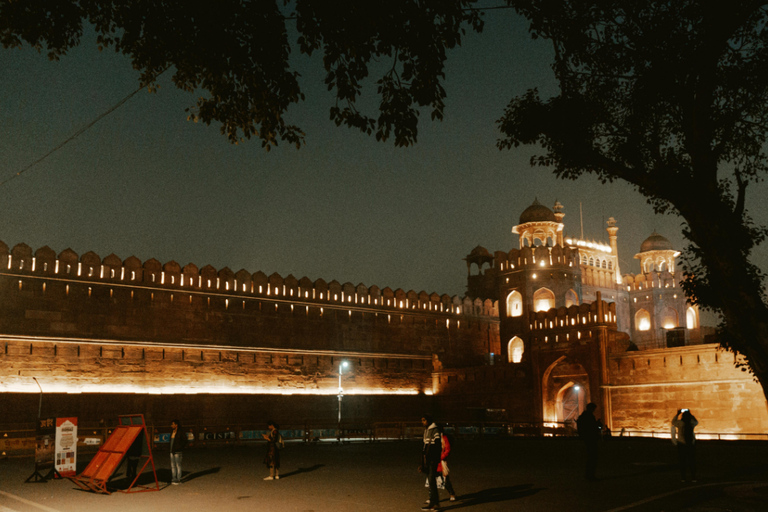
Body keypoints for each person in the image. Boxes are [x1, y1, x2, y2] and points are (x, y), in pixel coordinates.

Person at [420, 414, 442, 511]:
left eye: (424, 420)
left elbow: (437, 446)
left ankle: (435, 504)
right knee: (431, 481)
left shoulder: (435, 430)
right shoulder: (427, 430)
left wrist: (434, 460)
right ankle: (433, 503)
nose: (422, 422)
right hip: (428, 460)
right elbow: (424, 446)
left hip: (432, 460)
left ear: (428, 420)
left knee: (432, 481)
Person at [671, 409, 698, 482]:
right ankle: (693, 477)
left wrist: (677, 414)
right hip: (690, 444)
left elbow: (673, 422)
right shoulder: (691, 423)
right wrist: (691, 415)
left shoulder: (680, 423)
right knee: (691, 461)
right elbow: (696, 422)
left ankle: (683, 478)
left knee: (682, 461)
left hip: (681, 444)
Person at [576, 403, 601, 481]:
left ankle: (589, 474)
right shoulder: (589, 416)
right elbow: (592, 428)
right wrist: (598, 425)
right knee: (592, 457)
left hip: (586, 438)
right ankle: (590, 475)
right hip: (591, 438)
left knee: (590, 457)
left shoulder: (582, 416)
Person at [436, 425, 457, 502]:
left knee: (445, 479)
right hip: (433, 461)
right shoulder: (433, 438)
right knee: (431, 479)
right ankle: (432, 497)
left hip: (441, 462)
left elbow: (447, 449)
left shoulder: (444, 438)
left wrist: (441, 457)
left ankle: (452, 493)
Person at [169, 419, 187, 485]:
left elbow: (185, 440)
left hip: (177, 451)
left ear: (176, 425)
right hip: (171, 451)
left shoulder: (180, 432)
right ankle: (174, 479)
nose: (171, 426)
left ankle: (179, 479)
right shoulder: (172, 432)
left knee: (178, 465)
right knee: (173, 465)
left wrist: (179, 448)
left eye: (172, 424)